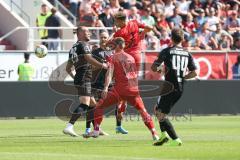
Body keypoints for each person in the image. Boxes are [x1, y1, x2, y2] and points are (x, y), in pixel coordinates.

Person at [86, 37, 159, 141]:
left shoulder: (113, 57)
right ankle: (154, 133)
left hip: (120, 89)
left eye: (113, 45)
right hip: (133, 89)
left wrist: (106, 87)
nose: (111, 47)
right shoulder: (131, 57)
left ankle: (96, 130)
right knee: (143, 111)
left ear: (117, 46)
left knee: (99, 106)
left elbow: (109, 73)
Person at [151, 28, 197, 146]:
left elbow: (153, 67)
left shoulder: (166, 51)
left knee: (159, 112)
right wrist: (183, 77)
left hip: (169, 87)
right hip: (180, 88)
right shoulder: (187, 53)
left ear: (171, 38)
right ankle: (163, 136)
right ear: (182, 39)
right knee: (159, 110)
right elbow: (194, 73)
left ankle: (175, 139)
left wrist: (160, 69)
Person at [63, 26, 108, 137]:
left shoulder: (74, 47)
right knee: (85, 103)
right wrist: (103, 65)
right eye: (86, 31)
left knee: (93, 104)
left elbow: (68, 68)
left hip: (81, 78)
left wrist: (76, 78)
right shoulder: (83, 45)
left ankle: (97, 129)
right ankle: (69, 126)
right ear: (79, 33)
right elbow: (88, 58)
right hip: (84, 78)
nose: (89, 33)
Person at [83, 31, 128, 136]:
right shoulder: (95, 52)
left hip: (110, 83)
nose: (103, 39)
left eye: (105, 37)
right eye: (102, 37)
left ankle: (118, 126)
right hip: (97, 83)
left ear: (108, 39)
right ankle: (88, 128)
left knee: (119, 101)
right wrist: (102, 65)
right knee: (93, 106)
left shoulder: (112, 53)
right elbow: (90, 67)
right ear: (99, 39)